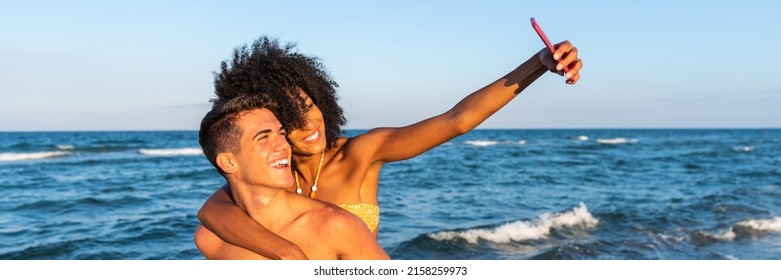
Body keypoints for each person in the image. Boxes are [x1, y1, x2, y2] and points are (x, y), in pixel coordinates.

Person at [196, 36, 583, 259]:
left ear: (321, 99)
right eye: (289, 121)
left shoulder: (361, 153)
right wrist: (288, 255)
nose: (308, 125)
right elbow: (211, 213)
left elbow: (457, 120)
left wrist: (538, 63)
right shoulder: (273, 175)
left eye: (309, 107)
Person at [194, 93, 389, 260]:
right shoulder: (211, 240)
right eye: (263, 138)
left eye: (281, 134)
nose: (283, 145)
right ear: (228, 163)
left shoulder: (335, 226)